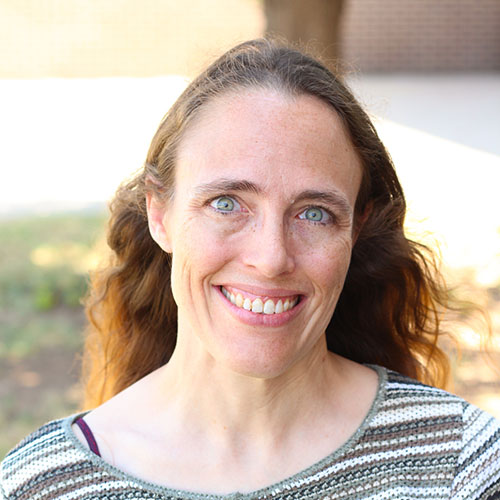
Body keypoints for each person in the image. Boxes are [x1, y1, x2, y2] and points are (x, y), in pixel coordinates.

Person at [1, 39, 499, 500]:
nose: (271, 257)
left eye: (314, 213)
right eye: (226, 203)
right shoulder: (46, 484)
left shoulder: (463, 468)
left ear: (356, 229)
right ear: (160, 214)